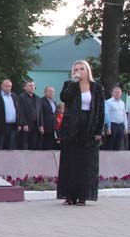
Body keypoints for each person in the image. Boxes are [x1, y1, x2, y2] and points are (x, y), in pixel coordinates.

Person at [57, 60, 105, 205]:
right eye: (76, 69)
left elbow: (100, 109)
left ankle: (83, 195)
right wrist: (73, 82)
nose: (79, 71)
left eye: (81, 69)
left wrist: (98, 130)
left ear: (87, 70)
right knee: (70, 161)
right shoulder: (69, 85)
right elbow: (64, 98)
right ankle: (70, 195)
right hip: (71, 127)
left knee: (86, 163)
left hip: (89, 127)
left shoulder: (96, 87)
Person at [0, 79, 22, 150]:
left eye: (10, 86)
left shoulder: (14, 96)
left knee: (10, 146)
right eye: (6, 86)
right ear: (2, 86)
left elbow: (18, 110)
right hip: (0, 126)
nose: (8, 88)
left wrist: (19, 123)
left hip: (12, 126)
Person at [18, 80, 42, 150]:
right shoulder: (21, 97)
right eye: (30, 86)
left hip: (35, 125)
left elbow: (40, 112)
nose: (32, 87)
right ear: (25, 87)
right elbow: (21, 112)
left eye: (33, 86)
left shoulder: (37, 98)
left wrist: (41, 124)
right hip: (26, 125)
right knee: (24, 145)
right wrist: (24, 124)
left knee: (33, 145)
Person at [104, 86, 128, 151]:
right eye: (116, 92)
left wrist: (126, 127)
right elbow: (106, 115)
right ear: (112, 93)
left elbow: (124, 115)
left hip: (120, 126)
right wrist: (108, 128)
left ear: (121, 93)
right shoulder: (108, 102)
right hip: (112, 125)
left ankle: (115, 160)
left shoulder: (122, 103)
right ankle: (107, 160)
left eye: (119, 92)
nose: (117, 94)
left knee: (118, 145)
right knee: (109, 144)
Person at [38, 86, 57, 151]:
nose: (52, 93)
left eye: (53, 92)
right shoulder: (41, 101)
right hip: (45, 127)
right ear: (45, 92)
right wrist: (41, 125)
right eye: (50, 91)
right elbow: (40, 114)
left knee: (51, 146)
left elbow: (55, 114)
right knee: (44, 146)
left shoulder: (54, 102)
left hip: (52, 128)